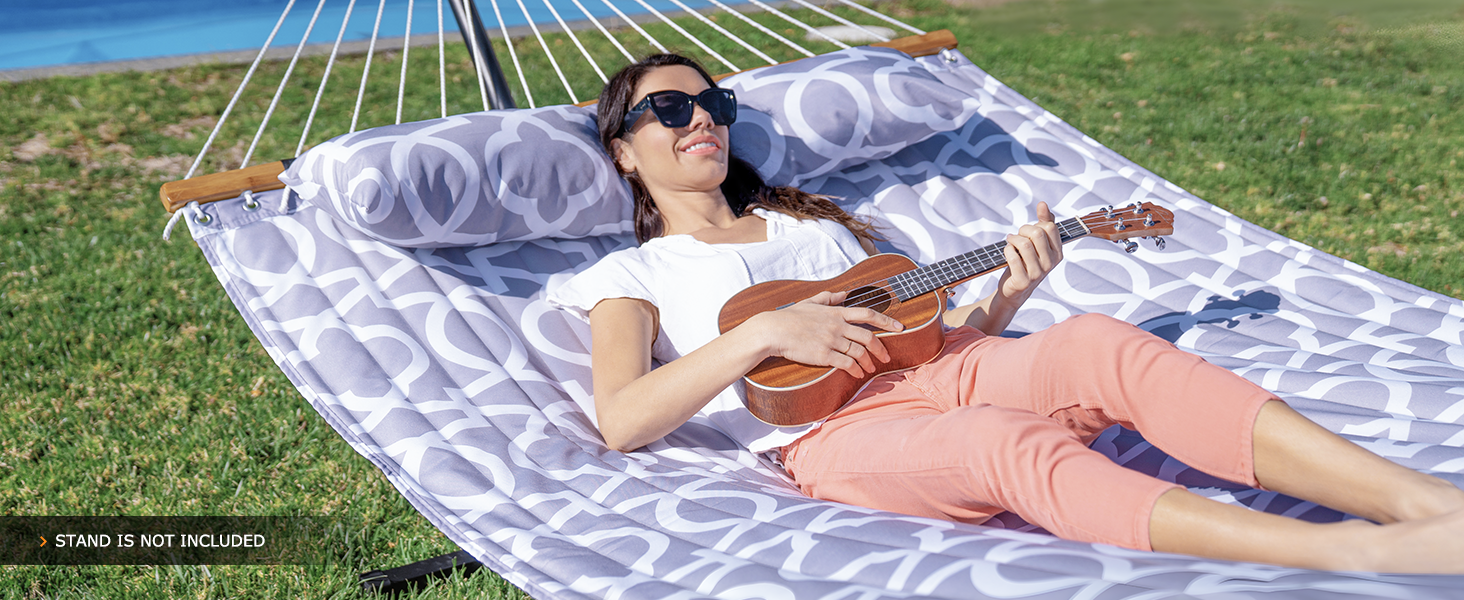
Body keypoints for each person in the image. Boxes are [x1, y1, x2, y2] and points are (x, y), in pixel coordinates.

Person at [546, 53, 1464, 573]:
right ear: (623, 153)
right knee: (997, 443)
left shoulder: (809, 226)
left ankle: (1419, 502)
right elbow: (623, 419)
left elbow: (933, 339)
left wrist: (1009, 295)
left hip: (948, 365)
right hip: (833, 435)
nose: (699, 116)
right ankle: (1337, 555)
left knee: (1100, 341)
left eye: (713, 102)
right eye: (668, 108)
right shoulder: (636, 272)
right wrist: (757, 334)